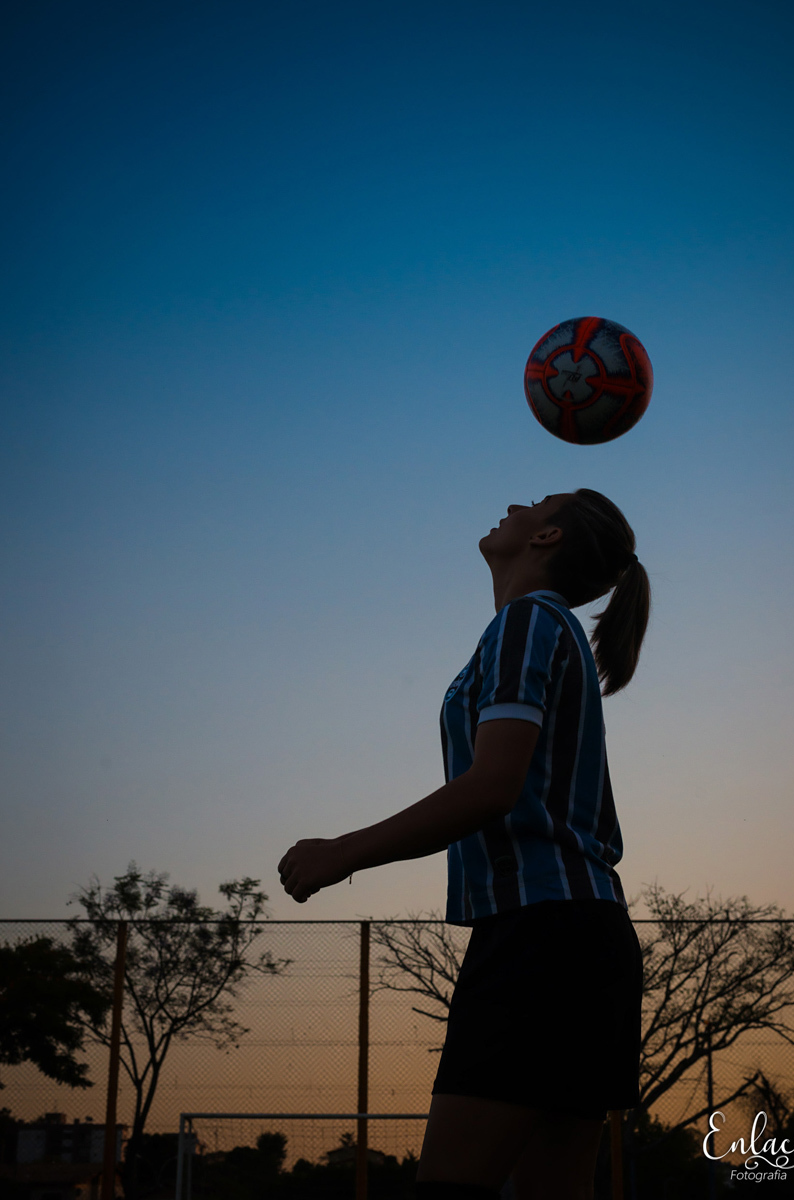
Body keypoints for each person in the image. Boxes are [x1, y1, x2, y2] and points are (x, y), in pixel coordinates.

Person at [278, 489, 650, 1200]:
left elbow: (491, 787)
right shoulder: (541, 628)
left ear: (545, 537)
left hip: (543, 939)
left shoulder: (527, 622)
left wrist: (342, 852)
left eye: (535, 503)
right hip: (581, 938)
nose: (512, 504)